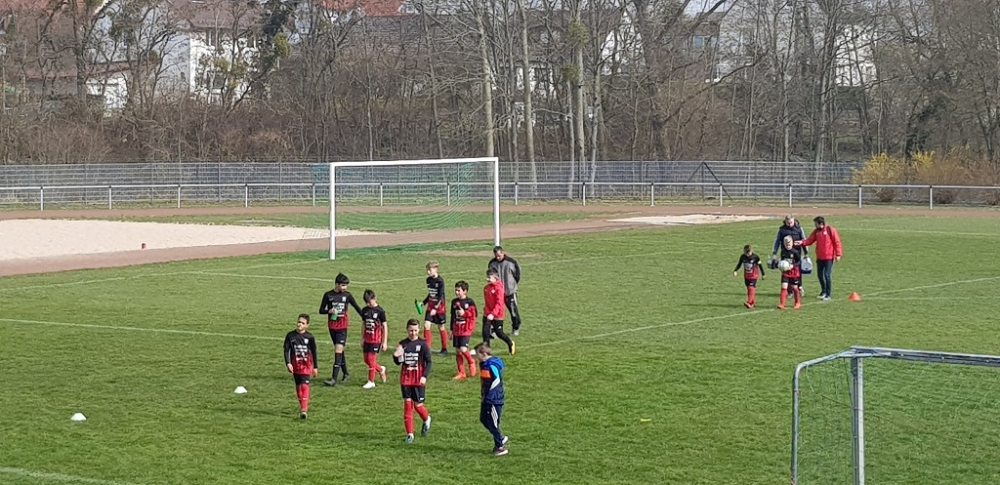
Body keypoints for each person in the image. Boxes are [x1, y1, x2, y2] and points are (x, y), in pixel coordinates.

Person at [319, 273, 364, 386]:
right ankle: (346, 374)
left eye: (346, 285)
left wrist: (365, 317)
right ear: (337, 284)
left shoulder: (347, 295)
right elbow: (321, 310)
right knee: (340, 351)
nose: (345, 287)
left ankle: (334, 379)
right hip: (332, 327)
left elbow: (357, 307)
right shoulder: (328, 295)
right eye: (343, 285)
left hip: (342, 327)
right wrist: (329, 311)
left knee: (338, 351)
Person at [393, 319, 433, 443]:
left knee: (418, 406)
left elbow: (429, 362)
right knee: (407, 405)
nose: (413, 333)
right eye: (411, 330)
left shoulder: (423, 344)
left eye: (415, 330)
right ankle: (410, 434)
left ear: (419, 329)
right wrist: (396, 356)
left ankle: (426, 419)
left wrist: (424, 376)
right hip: (406, 379)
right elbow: (398, 362)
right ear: (407, 330)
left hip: (418, 380)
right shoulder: (402, 344)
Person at [475, 342, 510, 456]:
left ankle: (500, 447)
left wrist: (490, 394)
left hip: (494, 400)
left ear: (484, 354)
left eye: (478, 354)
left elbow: (497, 380)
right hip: (486, 398)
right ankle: (500, 438)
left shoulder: (491, 365)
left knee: (493, 423)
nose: (476, 357)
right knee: (483, 419)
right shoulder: (483, 364)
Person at [796, 216, 843, 301]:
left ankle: (828, 294)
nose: (815, 225)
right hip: (820, 257)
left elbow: (837, 242)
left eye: (816, 224)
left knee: (827, 275)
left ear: (820, 223)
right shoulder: (816, 231)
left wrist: (838, 254)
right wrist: (802, 242)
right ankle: (823, 291)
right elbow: (810, 240)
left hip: (828, 257)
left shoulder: (830, 230)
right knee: (820, 275)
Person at [283, 313, 318, 420]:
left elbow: (314, 352)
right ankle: (302, 406)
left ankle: (304, 409)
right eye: (299, 322)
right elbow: (286, 350)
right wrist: (288, 363)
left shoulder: (310, 337)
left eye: (302, 323)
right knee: (298, 386)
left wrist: (315, 367)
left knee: (304, 385)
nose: (299, 324)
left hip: (306, 365)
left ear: (307, 325)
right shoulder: (290, 336)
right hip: (295, 365)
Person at [489, 246, 523, 336]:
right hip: (497, 293)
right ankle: (495, 330)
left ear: (502, 253)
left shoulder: (511, 262)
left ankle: (516, 327)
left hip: (509, 292)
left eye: (499, 255)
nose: (497, 258)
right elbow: (491, 276)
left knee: (513, 311)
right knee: (496, 311)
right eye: (496, 256)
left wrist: (512, 285)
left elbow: (517, 275)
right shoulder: (492, 263)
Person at [771, 215, 808, 296]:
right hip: (785, 253)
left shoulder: (799, 229)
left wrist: (806, 252)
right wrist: (774, 253)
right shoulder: (782, 230)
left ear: (794, 220)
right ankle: (789, 290)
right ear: (785, 221)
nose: (790, 224)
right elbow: (777, 241)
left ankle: (799, 287)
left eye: (791, 222)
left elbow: (803, 240)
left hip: (796, 253)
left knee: (797, 271)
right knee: (785, 269)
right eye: (788, 223)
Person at [360, 289, 389, 389]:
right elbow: (364, 324)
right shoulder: (364, 310)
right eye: (367, 302)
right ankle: (381, 369)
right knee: (366, 360)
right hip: (367, 339)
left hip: (376, 339)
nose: (369, 304)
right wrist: (362, 338)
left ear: (375, 298)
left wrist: (384, 342)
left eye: (370, 301)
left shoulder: (380, 311)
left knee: (371, 359)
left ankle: (371, 381)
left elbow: (385, 326)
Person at [450, 281, 478, 380]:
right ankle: (461, 373)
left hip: (466, 328)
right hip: (457, 328)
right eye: (456, 290)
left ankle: (471, 361)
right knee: (457, 351)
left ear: (465, 291)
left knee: (463, 348)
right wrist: (451, 330)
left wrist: (464, 313)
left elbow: (474, 314)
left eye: (459, 290)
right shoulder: (454, 302)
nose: (456, 292)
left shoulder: (470, 302)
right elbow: (453, 316)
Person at [483, 268, 515, 355]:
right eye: (487, 277)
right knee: (485, 333)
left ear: (495, 277)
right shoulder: (486, 288)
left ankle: (510, 343)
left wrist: (493, 314)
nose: (487, 279)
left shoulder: (499, 288)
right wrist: (487, 312)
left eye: (489, 277)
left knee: (499, 333)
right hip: (487, 314)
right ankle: (486, 352)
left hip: (497, 315)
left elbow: (499, 303)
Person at [422, 261, 449, 356]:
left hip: (439, 307)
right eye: (427, 270)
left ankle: (444, 349)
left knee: (441, 327)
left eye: (430, 270)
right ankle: (427, 349)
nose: (428, 272)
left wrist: (436, 308)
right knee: (426, 325)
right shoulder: (428, 280)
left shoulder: (440, 281)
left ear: (436, 269)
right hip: (430, 306)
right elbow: (431, 293)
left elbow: (441, 296)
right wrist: (424, 302)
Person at [733, 244, 765, 309]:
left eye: (748, 253)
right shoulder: (743, 257)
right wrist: (735, 270)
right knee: (749, 289)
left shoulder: (755, 257)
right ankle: (752, 303)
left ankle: (749, 302)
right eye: (746, 253)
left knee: (751, 288)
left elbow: (760, 265)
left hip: (754, 276)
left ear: (751, 251)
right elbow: (739, 264)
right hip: (746, 276)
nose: (747, 254)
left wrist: (763, 274)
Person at [778, 235, 803, 310]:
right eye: (786, 243)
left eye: (789, 242)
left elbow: (799, 262)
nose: (787, 244)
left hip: (794, 272)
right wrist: (781, 266)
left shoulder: (795, 252)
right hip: (785, 272)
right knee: (784, 286)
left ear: (792, 242)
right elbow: (782, 261)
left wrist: (793, 265)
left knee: (794, 287)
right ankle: (782, 304)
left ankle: (797, 302)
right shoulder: (783, 252)